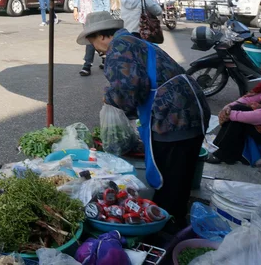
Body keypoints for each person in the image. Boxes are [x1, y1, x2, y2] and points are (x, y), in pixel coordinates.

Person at [76, 12, 210, 226]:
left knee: (170, 181)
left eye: (92, 43)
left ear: (102, 36)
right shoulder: (132, 41)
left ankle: (167, 226)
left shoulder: (118, 49)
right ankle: (176, 218)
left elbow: (127, 90)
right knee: (181, 176)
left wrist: (109, 97)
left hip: (173, 118)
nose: (95, 49)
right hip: (188, 111)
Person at [73, 0, 110, 76]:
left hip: (97, 16)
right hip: (85, 16)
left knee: (91, 40)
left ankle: (87, 65)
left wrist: (105, 18)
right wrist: (75, 9)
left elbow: (106, 3)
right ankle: (104, 58)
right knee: (92, 39)